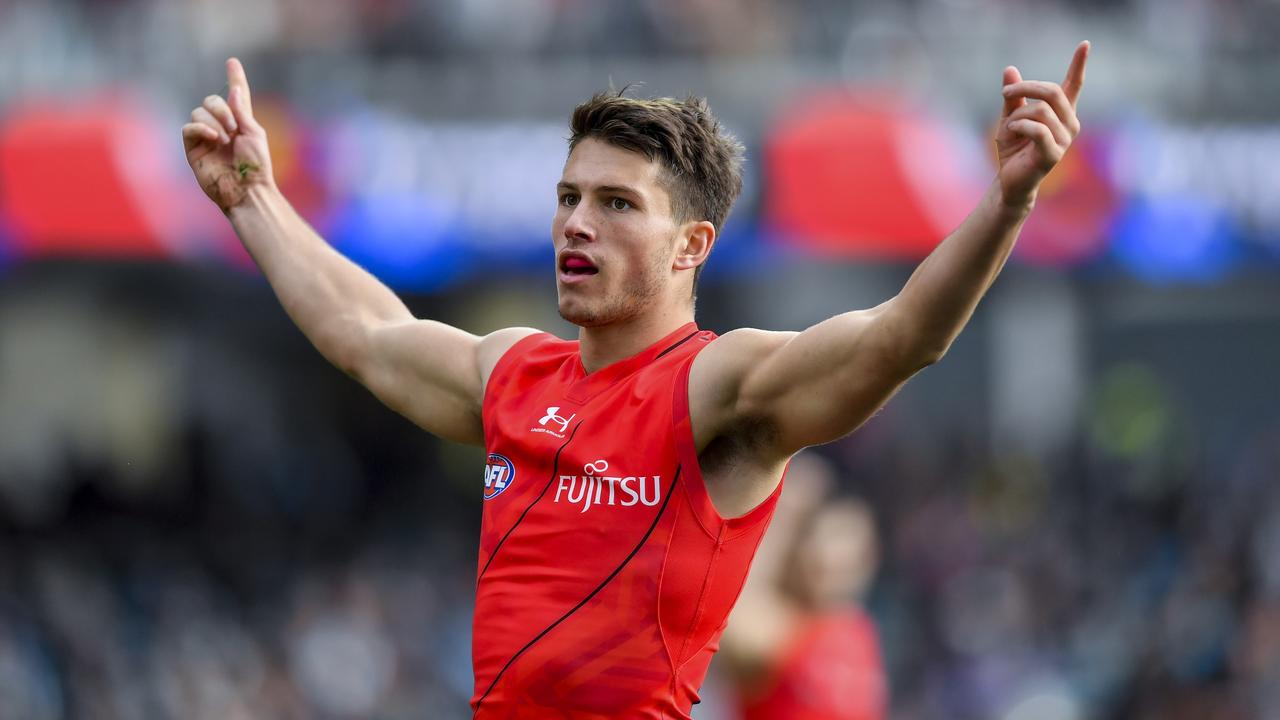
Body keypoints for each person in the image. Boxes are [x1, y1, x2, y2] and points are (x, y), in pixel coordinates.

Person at [181, 41, 1089, 718]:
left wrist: (1007, 204)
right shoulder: (512, 371)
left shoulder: (718, 388)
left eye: (617, 205)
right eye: (570, 197)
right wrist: (252, 198)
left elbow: (897, 340)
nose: (578, 223)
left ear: (691, 246)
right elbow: (368, 330)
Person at [719, 453, 887, 720]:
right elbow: (727, 609)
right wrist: (780, 510)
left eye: (857, 555)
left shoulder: (855, 629)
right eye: (825, 562)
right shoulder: (777, 633)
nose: (841, 566)